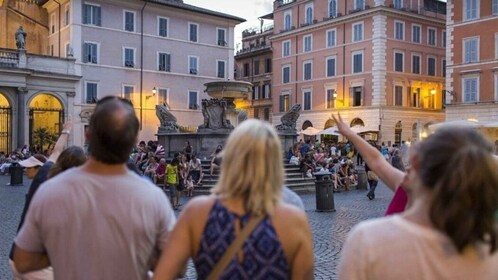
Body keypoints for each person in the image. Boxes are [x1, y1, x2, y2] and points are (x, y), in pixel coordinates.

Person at [13, 96, 176, 279]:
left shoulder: (51, 191)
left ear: (88, 135)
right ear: (134, 142)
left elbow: (23, 261)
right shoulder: (153, 197)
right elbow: (177, 265)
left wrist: (65, 251)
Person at [152, 119, 314, 280]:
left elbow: (168, 273)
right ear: (275, 162)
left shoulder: (197, 212)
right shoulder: (293, 220)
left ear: (229, 157)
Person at [338, 126, 498, 279]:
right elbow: (377, 161)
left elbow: (377, 161)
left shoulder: (368, 241)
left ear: (415, 161)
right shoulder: (490, 251)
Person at [9, 119, 72, 280]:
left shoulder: (44, 177)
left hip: (18, 258)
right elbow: (56, 153)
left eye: (29, 167)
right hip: (34, 262)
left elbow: (56, 153)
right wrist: (65, 132)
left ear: (39, 168)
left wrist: (66, 132)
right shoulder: (52, 181)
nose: (25, 170)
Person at [332, 114, 408, 214]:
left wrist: (350, 134)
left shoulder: (410, 189)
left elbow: (376, 159)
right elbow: (375, 159)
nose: (408, 167)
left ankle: (371, 192)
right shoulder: (414, 189)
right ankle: (371, 193)